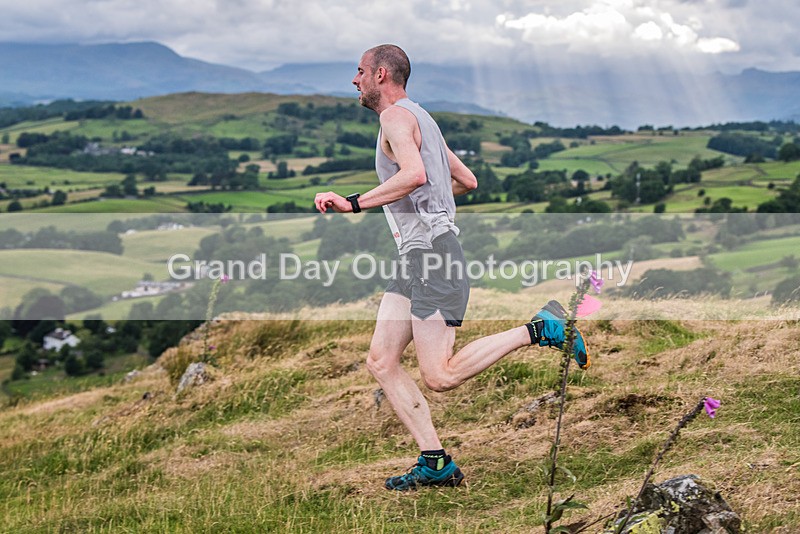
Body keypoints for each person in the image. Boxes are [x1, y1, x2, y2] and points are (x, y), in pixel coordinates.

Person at [314, 44, 589, 491]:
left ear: (382, 74)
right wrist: (426, 208)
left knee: (439, 375)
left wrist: (354, 202)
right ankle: (436, 463)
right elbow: (466, 181)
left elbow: (415, 175)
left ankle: (539, 328)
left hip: (433, 258)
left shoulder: (395, 118)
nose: (355, 79)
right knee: (382, 360)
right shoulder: (424, 119)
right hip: (417, 256)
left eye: (360, 71)